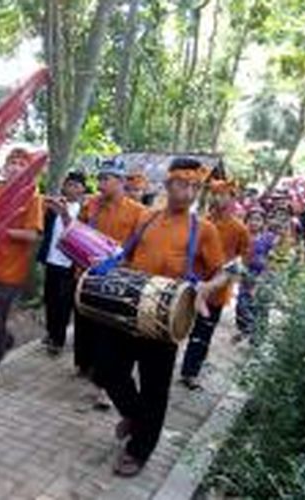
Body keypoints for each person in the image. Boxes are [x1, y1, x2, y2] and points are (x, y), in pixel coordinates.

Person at [94, 157, 226, 477]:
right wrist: (105, 265)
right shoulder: (147, 218)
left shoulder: (203, 229)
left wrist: (207, 287)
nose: (190, 191)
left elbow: (221, 273)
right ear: (168, 185)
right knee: (108, 370)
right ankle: (136, 416)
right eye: (184, 184)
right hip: (131, 308)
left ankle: (139, 450)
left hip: (166, 319)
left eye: (196, 186)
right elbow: (126, 256)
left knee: (155, 387)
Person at [74, 158, 146, 409]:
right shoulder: (91, 204)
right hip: (91, 277)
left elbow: (141, 248)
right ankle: (98, 380)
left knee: (114, 335)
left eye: (106, 178)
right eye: (100, 178)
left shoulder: (138, 212)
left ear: (121, 181)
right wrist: (63, 214)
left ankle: (106, 389)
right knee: (94, 332)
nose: (101, 183)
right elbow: (77, 233)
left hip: (120, 281)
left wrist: (120, 264)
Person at [179, 179, 250, 390]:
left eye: (222, 194)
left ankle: (190, 373)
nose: (217, 198)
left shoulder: (240, 229)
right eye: (214, 194)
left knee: (203, 333)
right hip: (191, 283)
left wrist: (227, 275)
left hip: (216, 290)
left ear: (233, 198)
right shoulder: (200, 221)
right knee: (177, 323)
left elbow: (242, 261)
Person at [0, 147, 44, 389]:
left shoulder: (34, 197)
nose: (15, 166)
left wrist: (3, 231)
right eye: (12, 162)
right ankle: (6, 340)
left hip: (12, 271)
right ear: (4, 167)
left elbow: (32, 234)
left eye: (21, 163)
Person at [38, 171, 88, 356]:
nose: (71, 188)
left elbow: (80, 235)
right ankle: (51, 332)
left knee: (63, 303)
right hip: (52, 260)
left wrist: (65, 214)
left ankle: (57, 340)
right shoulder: (54, 206)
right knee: (49, 299)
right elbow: (44, 228)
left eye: (76, 185)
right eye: (69, 184)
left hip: (70, 264)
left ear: (83, 189)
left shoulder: (85, 210)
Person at [234, 204, 277, 344]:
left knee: (259, 304)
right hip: (246, 275)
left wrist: (265, 276)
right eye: (251, 219)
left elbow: (272, 258)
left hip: (263, 276)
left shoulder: (268, 238)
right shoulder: (242, 236)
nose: (254, 222)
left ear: (263, 222)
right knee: (242, 304)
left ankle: (257, 336)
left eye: (258, 220)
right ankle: (246, 329)